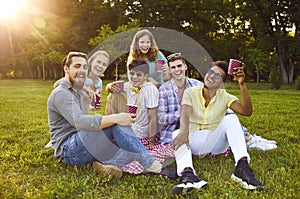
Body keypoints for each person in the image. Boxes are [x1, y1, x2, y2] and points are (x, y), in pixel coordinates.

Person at [47, 51, 171, 179]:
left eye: (84, 67)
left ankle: (110, 165)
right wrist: (116, 118)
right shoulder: (61, 93)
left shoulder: (76, 89)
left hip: (82, 142)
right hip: (68, 151)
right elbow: (79, 121)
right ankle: (153, 165)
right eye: (77, 66)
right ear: (66, 69)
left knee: (127, 142)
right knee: (116, 125)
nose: (82, 70)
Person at [171, 60, 264, 195]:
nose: (211, 76)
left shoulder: (225, 96)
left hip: (215, 143)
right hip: (194, 140)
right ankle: (188, 175)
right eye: (210, 72)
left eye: (217, 76)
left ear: (221, 83)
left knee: (231, 118)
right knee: (177, 133)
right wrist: (184, 131)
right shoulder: (190, 92)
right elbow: (184, 113)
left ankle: (242, 167)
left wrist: (242, 84)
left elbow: (246, 111)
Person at [158, 53, 277, 151]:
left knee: (226, 111)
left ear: (185, 67)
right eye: (173, 67)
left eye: (179, 66)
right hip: (175, 130)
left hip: (199, 125)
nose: (177, 70)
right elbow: (161, 119)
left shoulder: (196, 84)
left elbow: (216, 99)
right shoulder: (164, 90)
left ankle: (247, 137)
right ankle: (246, 138)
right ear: (169, 69)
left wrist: (240, 83)